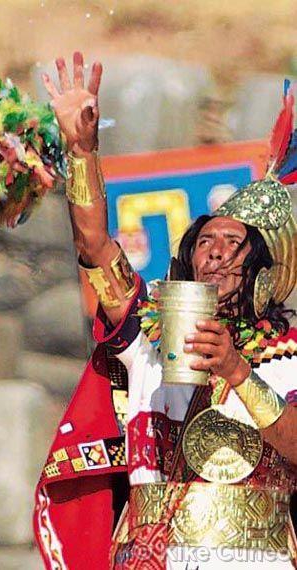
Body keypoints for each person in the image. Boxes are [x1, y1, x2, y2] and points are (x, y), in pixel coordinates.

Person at [34, 53, 297, 569]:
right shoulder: (145, 331)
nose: (214, 251)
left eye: (234, 243)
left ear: (268, 274)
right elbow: (93, 245)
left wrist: (237, 371)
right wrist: (81, 151)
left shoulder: (288, 355)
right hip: (152, 555)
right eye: (204, 241)